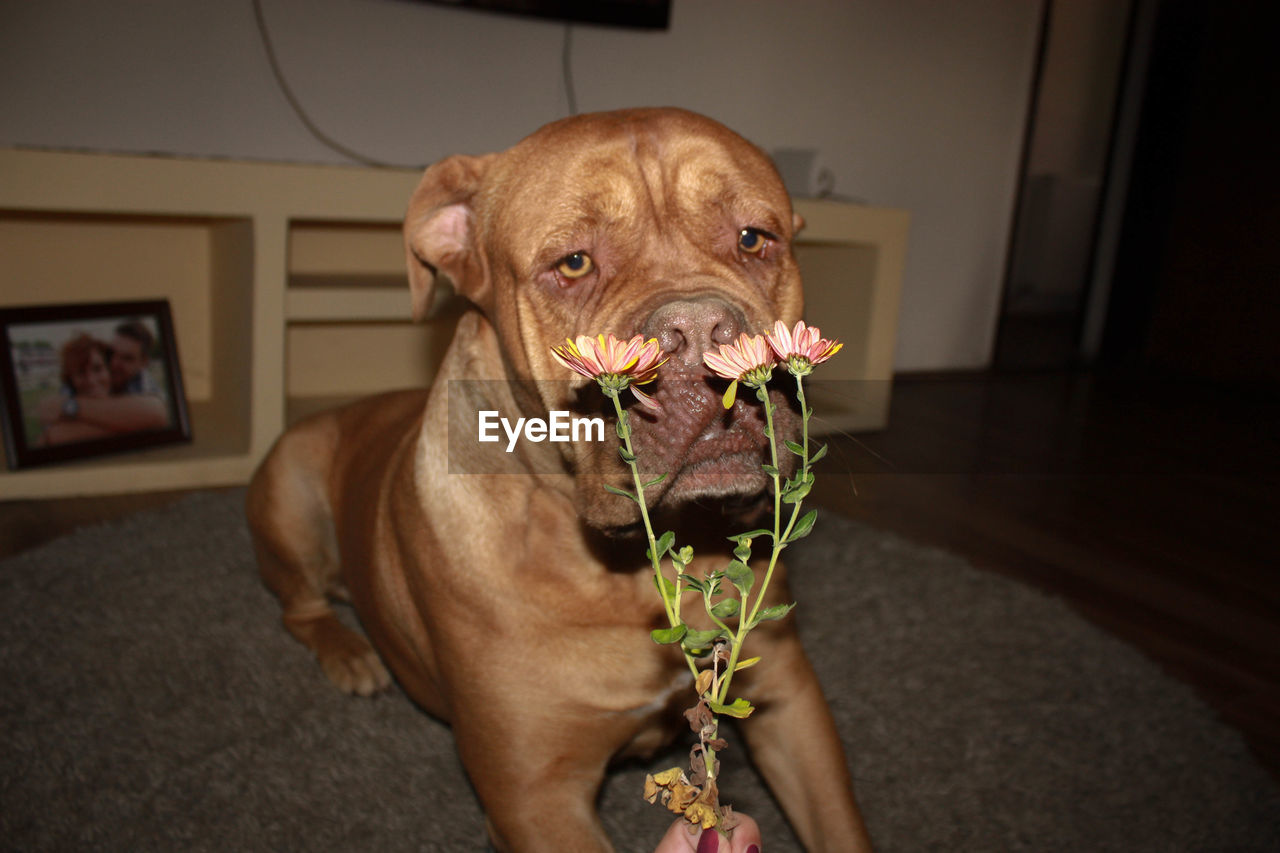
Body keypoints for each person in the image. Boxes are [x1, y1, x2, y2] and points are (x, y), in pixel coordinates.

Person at [36, 319, 169, 440]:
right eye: (112, 354)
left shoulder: (143, 382)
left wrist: (70, 407)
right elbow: (53, 435)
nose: (115, 363)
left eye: (127, 358)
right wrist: (130, 421)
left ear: (143, 363)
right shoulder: (74, 382)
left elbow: (156, 414)